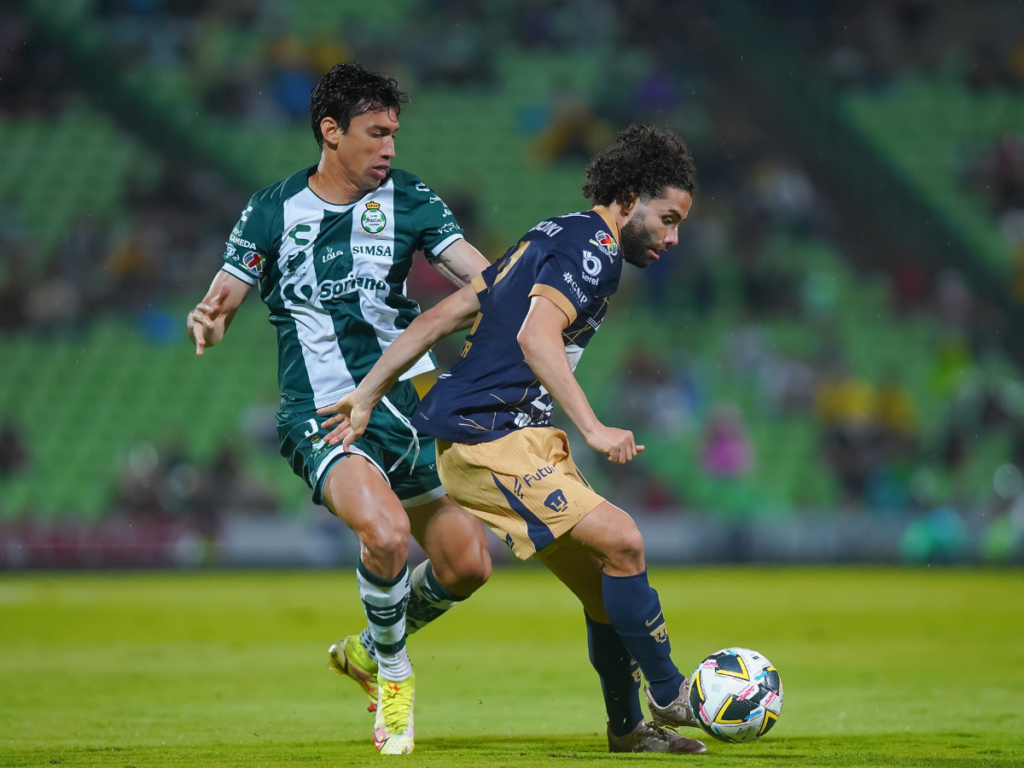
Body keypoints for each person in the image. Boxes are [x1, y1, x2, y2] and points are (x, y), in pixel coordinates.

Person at [320, 125, 707, 754]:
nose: (673, 237)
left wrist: (366, 396)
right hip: (489, 437)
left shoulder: (549, 234)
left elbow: (440, 316)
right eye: (667, 219)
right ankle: (669, 694)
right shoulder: (593, 250)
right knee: (626, 541)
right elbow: (536, 337)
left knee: (606, 587)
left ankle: (628, 730)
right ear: (630, 198)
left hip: (506, 437)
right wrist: (594, 427)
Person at [185, 63, 493, 755]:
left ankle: (364, 647)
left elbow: (475, 269)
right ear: (331, 132)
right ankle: (394, 677)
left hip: (409, 403)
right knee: (385, 536)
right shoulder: (272, 209)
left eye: (394, 133)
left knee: (468, 564)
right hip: (323, 410)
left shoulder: (411, 199)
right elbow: (225, 293)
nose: (389, 147)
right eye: (376, 133)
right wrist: (209, 318)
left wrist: (516, 292)